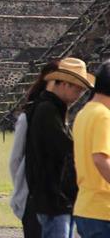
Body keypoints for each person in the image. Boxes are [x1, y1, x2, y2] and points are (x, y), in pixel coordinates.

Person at [27, 57, 94, 237]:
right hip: (53, 200)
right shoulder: (47, 110)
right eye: (77, 88)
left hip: (57, 199)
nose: (79, 94)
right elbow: (64, 150)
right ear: (64, 84)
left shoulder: (53, 109)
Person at [11, 61, 62, 238]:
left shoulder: (62, 117)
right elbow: (16, 160)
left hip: (59, 200)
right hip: (35, 198)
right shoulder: (30, 116)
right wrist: (21, 194)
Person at [73, 62, 110, 238]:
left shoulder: (84, 113)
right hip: (103, 210)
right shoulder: (104, 115)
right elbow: (100, 159)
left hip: (86, 206)